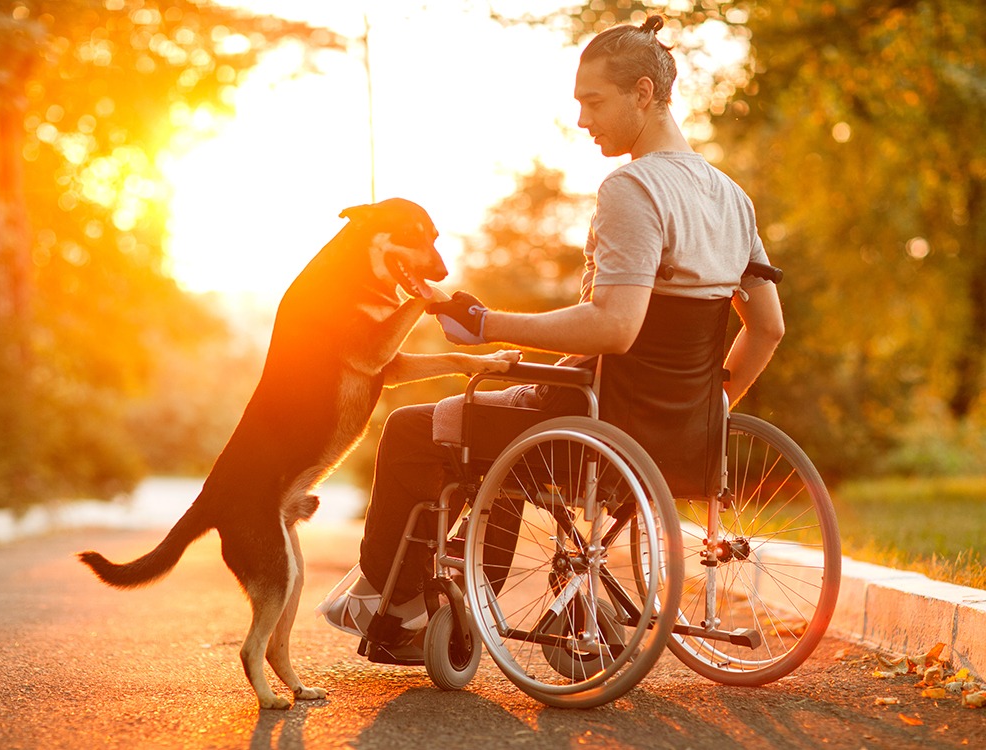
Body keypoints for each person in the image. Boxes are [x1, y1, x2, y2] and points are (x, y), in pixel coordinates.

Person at [322, 15, 785, 649]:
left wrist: (485, 325)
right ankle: (444, 598)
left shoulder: (633, 187)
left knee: (414, 429)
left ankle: (391, 603)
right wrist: (710, 406)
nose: (582, 121)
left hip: (593, 422)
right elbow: (768, 327)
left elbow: (615, 328)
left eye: (593, 102)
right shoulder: (732, 198)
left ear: (643, 94)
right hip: (679, 439)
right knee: (492, 429)